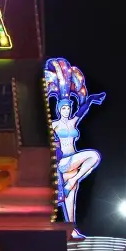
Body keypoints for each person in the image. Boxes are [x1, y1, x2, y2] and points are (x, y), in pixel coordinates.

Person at [44, 58, 105, 240]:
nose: (67, 110)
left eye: (69, 107)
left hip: (72, 164)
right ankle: (71, 182)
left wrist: (92, 100)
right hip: (64, 162)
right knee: (93, 155)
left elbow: (82, 110)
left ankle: (71, 229)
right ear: (59, 109)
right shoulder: (54, 125)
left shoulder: (72, 122)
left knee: (72, 195)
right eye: (64, 108)